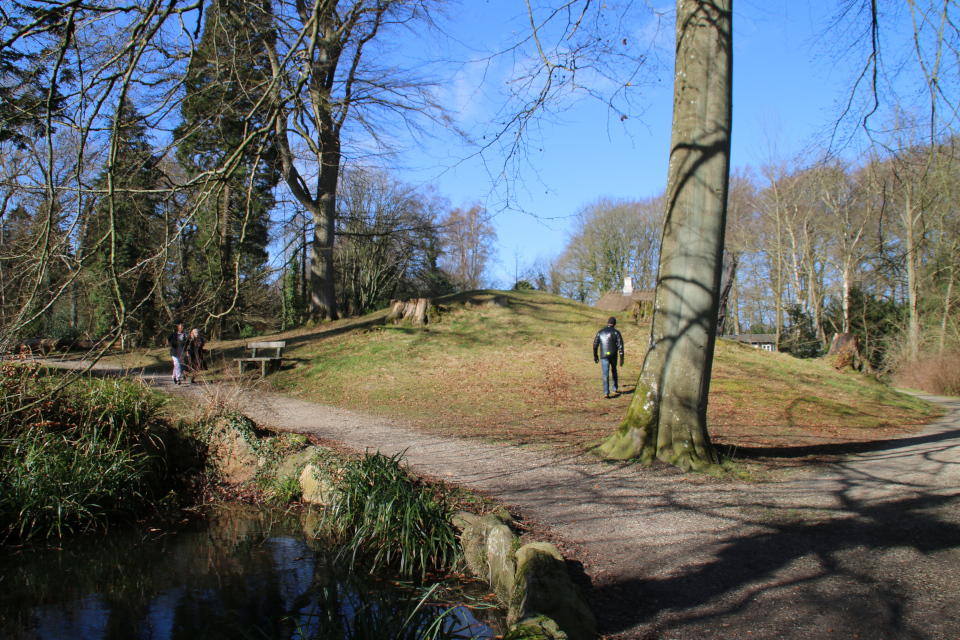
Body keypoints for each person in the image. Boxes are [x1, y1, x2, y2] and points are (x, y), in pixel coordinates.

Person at [593, 316, 624, 398]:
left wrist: (595, 356)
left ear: (608, 323)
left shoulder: (600, 332)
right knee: (614, 370)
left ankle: (606, 392)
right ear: (614, 323)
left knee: (605, 373)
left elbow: (595, 345)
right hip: (613, 355)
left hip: (604, 355)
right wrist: (622, 358)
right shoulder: (616, 332)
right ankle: (614, 387)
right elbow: (621, 346)